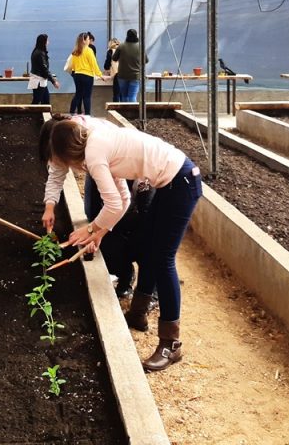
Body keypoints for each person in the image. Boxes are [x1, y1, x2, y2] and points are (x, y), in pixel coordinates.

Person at [51, 119, 202, 372]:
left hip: (181, 183)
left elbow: (111, 204)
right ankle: (138, 312)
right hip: (172, 183)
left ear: (68, 153)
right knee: (147, 248)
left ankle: (170, 344)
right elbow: (122, 199)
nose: (73, 169)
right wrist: (99, 232)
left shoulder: (94, 153)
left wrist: (89, 229)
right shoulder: (98, 142)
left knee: (163, 261)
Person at [39, 114, 146, 298]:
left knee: (125, 223)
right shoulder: (65, 139)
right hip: (101, 166)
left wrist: (94, 230)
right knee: (94, 213)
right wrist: (50, 207)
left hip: (129, 170)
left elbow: (121, 201)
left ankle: (137, 283)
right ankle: (121, 270)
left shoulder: (94, 145)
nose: (59, 163)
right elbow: (56, 175)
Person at [67, 32, 104, 115]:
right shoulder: (89, 50)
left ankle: (71, 113)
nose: (89, 41)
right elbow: (93, 64)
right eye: (87, 39)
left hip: (77, 75)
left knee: (78, 94)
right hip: (87, 76)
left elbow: (73, 65)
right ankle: (87, 115)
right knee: (87, 96)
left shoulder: (75, 51)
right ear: (84, 40)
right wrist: (100, 75)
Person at [113, 28, 148, 102]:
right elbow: (146, 60)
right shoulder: (140, 47)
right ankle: (133, 113)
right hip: (135, 76)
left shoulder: (121, 46)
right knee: (132, 96)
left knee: (124, 96)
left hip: (122, 75)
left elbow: (114, 58)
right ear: (136, 36)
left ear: (127, 36)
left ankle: (124, 113)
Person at [29, 33, 59, 106]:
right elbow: (44, 69)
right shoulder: (40, 53)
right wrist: (53, 81)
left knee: (45, 101)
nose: (48, 42)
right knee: (37, 101)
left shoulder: (37, 51)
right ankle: (30, 115)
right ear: (44, 42)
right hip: (39, 81)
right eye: (47, 40)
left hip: (40, 81)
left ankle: (44, 116)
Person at [104, 38, 121, 103]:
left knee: (116, 93)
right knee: (122, 93)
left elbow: (107, 64)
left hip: (116, 74)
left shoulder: (110, 51)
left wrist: (107, 70)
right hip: (125, 72)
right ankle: (124, 110)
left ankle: (116, 109)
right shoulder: (122, 50)